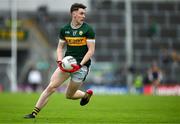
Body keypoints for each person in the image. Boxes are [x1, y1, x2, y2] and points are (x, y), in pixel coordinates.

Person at [24, 3, 95, 119]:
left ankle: (85, 95)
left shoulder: (88, 30)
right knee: (51, 87)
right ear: (74, 14)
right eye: (81, 13)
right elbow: (60, 48)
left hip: (82, 67)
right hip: (67, 64)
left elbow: (91, 51)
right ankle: (33, 113)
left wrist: (80, 65)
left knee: (69, 95)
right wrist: (59, 61)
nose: (84, 16)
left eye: (84, 14)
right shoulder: (65, 30)